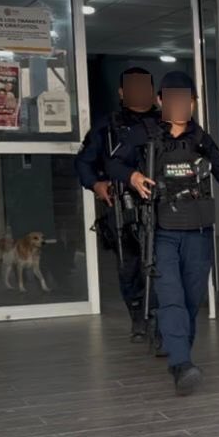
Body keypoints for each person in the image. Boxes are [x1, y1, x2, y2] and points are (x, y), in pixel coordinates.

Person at [107, 71, 219, 395]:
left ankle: (178, 350)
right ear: (161, 100)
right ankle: (181, 364)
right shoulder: (144, 133)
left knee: (191, 301)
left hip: (199, 232)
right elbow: (112, 164)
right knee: (172, 298)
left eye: (186, 99)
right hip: (162, 231)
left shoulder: (201, 138)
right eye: (173, 99)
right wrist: (133, 176)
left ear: (193, 102)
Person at [75, 67, 161, 341]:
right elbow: (84, 162)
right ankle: (138, 316)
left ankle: (158, 319)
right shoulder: (108, 125)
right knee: (130, 265)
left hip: (162, 203)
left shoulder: (167, 121)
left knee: (162, 263)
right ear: (122, 92)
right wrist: (96, 184)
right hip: (123, 205)